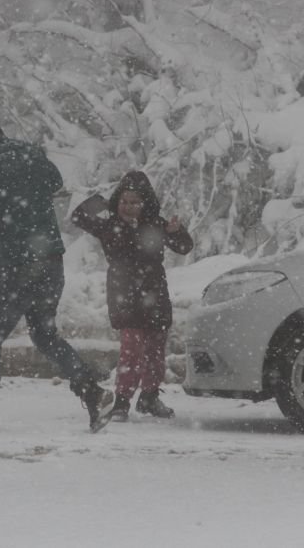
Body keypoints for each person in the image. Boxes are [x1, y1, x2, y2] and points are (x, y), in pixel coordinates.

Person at [0, 114, 114, 433]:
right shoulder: (32, 153)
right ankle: (92, 392)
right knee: (44, 334)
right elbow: (55, 182)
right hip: (51, 259)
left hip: (19, 264)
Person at [71, 170, 194, 421]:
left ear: (145, 202)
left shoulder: (156, 225)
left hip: (155, 293)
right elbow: (78, 216)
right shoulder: (108, 226)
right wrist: (104, 200)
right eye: (124, 201)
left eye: (135, 202)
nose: (129, 207)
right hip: (124, 295)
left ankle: (149, 398)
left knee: (156, 348)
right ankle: (122, 401)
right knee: (132, 348)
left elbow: (184, 247)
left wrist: (177, 231)